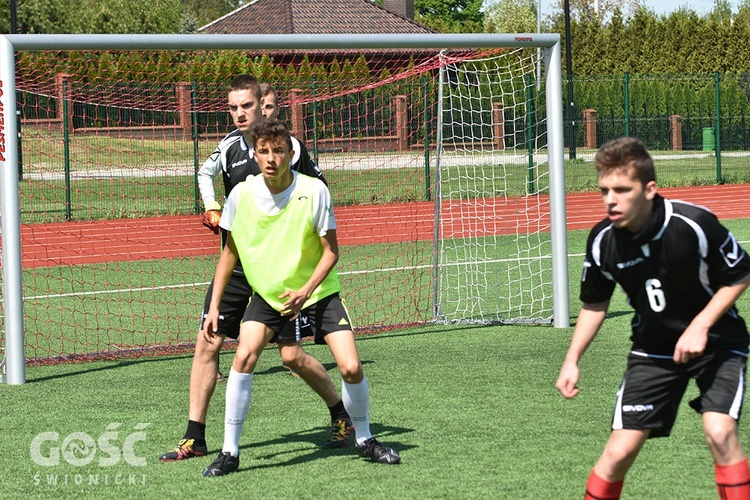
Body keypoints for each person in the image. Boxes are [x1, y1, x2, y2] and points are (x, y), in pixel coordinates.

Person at [159, 75, 353, 463]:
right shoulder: (228, 147)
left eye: (246, 106)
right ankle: (194, 436)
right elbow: (204, 175)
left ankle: (340, 414)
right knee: (207, 339)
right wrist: (211, 203)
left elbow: (317, 194)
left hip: (280, 271)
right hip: (237, 266)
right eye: (233, 108)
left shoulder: (288, 148)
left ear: (262, 104)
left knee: (291, 357)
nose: (240, 114)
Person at [201, 120, 401, 477]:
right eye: (263, 151)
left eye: (278, 150)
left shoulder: (314, 191)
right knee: (244, 356)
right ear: (255, 153)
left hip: (318, 293)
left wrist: (306, 291)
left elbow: (331, 252)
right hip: (271, 295)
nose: (271, 158)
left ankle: (365, 439)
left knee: (351, 367)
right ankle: (229, 452)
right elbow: (228, 254)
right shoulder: (241, 196)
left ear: (291, 154)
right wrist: (214, 306)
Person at [555, 137, 750, 499]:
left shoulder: (693, 224)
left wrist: (700, 326)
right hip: (654, 351)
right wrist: (572, 360)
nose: (610, 199)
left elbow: (739, 274)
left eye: (622, 190)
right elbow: (595, 304)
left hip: (719, 344)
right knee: (619, 452)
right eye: (604, 190)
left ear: (649, 189)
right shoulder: (602, 240)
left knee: (720, 433)